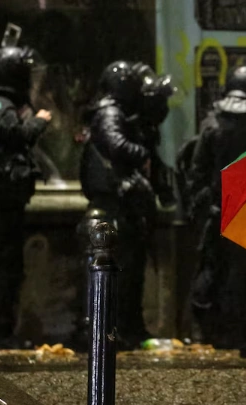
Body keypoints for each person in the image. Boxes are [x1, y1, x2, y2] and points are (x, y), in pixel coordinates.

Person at [177, 63, 246, 353]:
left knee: (221, 274)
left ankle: (219, 332)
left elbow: (197, 174)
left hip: (222, 213)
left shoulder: (212, 124)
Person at [0, 45, 52, 348]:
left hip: (7, 199)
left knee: (8, 266)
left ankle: (2, 330)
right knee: (1, 266)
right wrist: (39, 121)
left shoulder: (2, 103)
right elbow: (16, 134)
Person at [79, 60, 156, 349]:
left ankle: (124, 328)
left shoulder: (115, 111)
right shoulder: (110, 112)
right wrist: (140, 151)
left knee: (129, 270)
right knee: (114, 269)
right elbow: (116, 144)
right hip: (112, 205)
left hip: (120, 205)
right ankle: (108, 330)